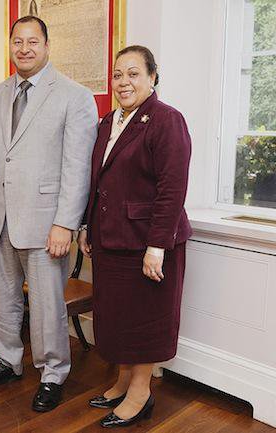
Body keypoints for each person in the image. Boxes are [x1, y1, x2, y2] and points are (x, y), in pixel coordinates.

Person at [0, 16, 98, 412]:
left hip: (46, 224)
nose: (24, 49)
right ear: (10, 45)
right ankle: (7, 360)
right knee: (0, 300)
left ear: (47, 46)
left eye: (32, 42)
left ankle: (53, 372)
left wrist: (65, 223)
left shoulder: (74, 96)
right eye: (17, 41)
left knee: (46, 307)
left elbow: (78, 167)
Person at [77, 45, 192, 428]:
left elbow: (172, 190)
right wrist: (87, 227)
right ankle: (124, 380)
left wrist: (157, 246)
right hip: (110, 240)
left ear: (152, 77)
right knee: (117, 317)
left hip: (148, 243)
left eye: (133, 74)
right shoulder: (108, 122)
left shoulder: (166, 120)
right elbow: (98, 183)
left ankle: (141, 392)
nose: (123, 82)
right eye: (117, 74)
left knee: (144, 320)